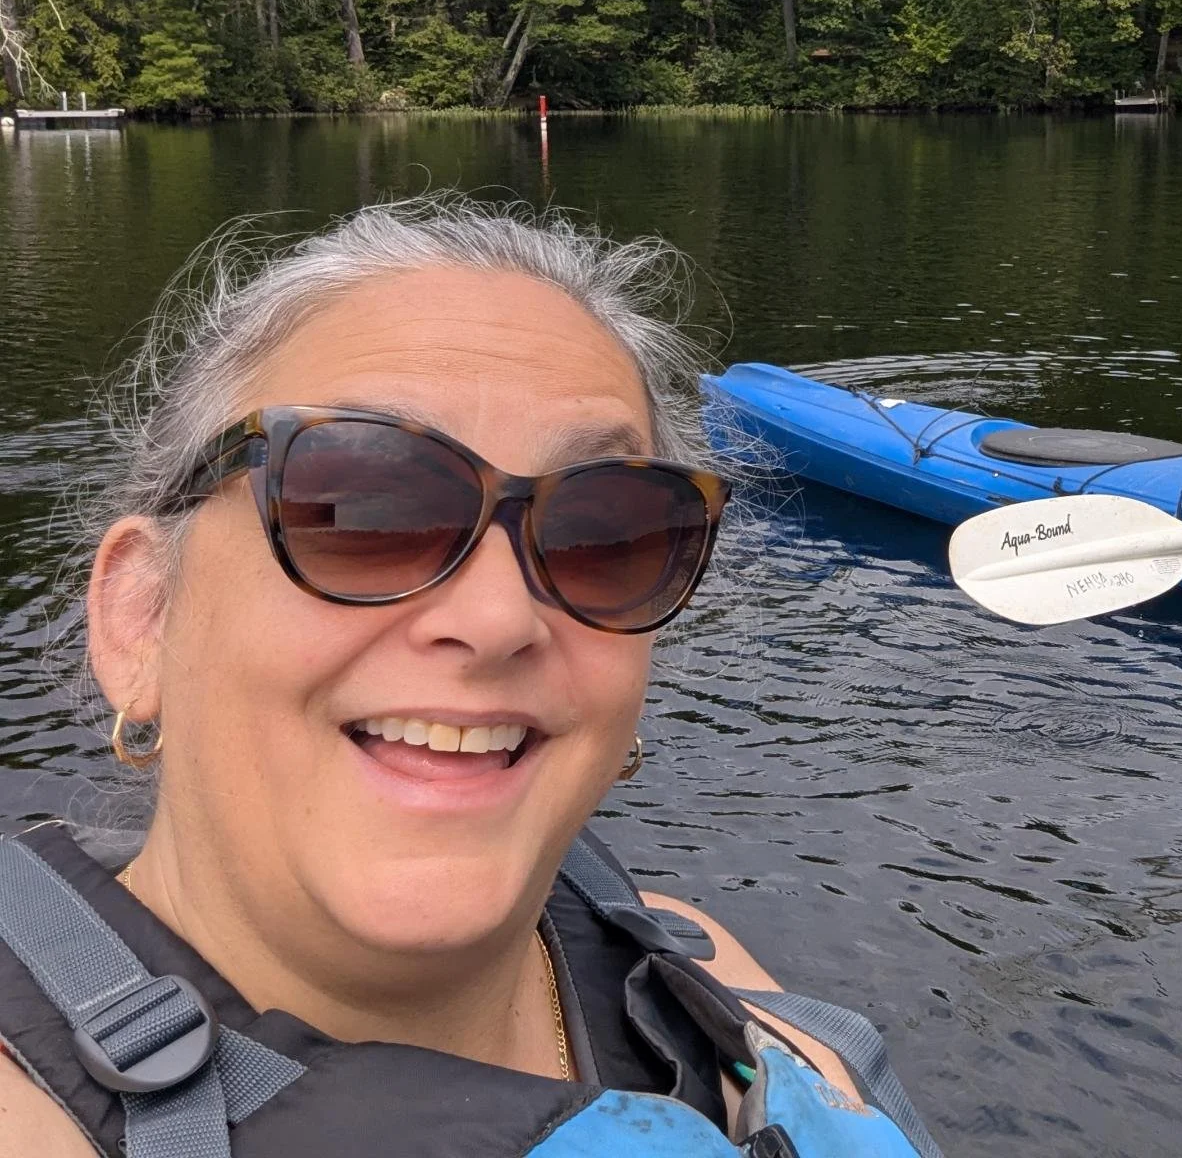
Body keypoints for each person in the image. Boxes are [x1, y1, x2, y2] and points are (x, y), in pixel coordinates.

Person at [0, 197, 939, 1158]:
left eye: (603, 533)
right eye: (364, 510)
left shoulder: (698, 978)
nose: (499, 621)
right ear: (139, 620)